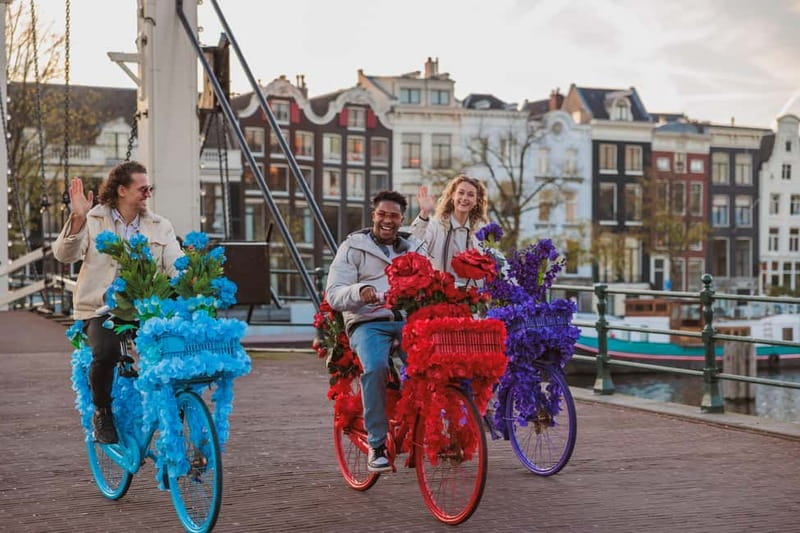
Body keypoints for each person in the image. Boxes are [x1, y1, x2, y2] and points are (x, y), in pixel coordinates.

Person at [53, 161, 182, 444]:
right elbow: (64, 255)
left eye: (150, 188)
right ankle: (103, 412)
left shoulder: (161, 226)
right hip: (101, 307)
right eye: (142, 188)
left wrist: (194, 281)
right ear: (121, 190)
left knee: (176, 349)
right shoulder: (93, 219)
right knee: (107, 350)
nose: (148, 194)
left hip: (146, 308)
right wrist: (77, 218)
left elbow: (176, 266)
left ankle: (176, 411)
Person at [325, 190, 426, 472]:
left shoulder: (415, 248)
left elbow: (431, 280)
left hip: (406, 319)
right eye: (382, 214)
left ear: (401, 219)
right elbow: (333, 293)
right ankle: (377, 444)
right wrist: (361, 291)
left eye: (393, 216)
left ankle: (428, 430)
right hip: (367, 320)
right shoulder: (352, 248)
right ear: (373, 216)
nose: (387, 221)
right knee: (375, 367)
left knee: (431, 367)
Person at [410, 174, 489, 282]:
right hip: (442, 293)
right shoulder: (436, 225)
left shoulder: (480, 231)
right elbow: (414, 244)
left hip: (472, 294)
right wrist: (424, 213)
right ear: (453, 195)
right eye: (461, 193)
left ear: (476, 201)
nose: (464, 198)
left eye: (470, 195)